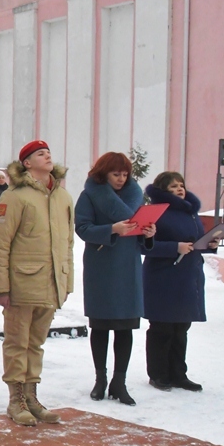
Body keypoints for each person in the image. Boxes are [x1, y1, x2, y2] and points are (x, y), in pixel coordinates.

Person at [0, 140, 73, 426]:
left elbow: (68, 243)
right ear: (26, 163)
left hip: (49, 283)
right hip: (22, 282)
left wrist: (66, 279)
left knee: (36, 344)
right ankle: (16, 400)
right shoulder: (14, 196)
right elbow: (0, 244)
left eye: (48, 152)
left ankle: (32, 397)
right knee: (17, 343)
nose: (47, 155)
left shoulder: (62, 197)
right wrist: (1, 287)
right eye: (40, 153)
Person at [74, 153, 155, 406]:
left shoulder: (135, 195)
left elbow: (141, 230)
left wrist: (149, 232)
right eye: (115, 174)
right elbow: (82, 228)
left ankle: (119, 382)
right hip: (101, 266)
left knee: (125, 326)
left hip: (128, 266)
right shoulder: (89, 195)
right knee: (100, 326)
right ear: (103, 173)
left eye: (124, 175)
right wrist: (111, 229)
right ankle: (100, 379)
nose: (121, 179)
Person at [142, 171, 211, 391]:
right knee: (162, 327)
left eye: (181, 185)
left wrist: (208, 243)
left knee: (182, 327)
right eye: (173, 187)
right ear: (163, 191)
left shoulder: (191, 212)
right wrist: (174, 248)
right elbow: (144, 246)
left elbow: (194, 240)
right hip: (163, 277)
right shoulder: (154, 212)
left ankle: (178, 374)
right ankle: (158, 374)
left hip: (188, 276)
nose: (180, 189)